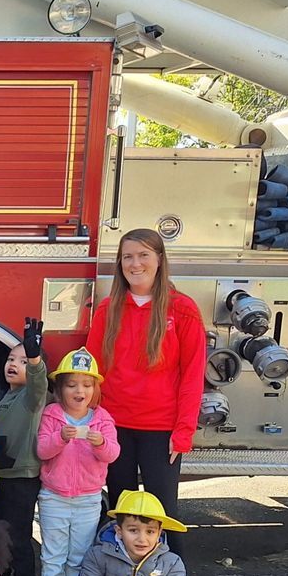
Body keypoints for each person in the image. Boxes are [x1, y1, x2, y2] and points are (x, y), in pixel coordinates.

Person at [86, 228, 207, 551]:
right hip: (115, 427)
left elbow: (193, 375)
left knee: (162, 513)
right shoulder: (108, 309)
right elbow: (92, 374)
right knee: (122, 511)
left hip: (160, 428)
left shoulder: (182, 309)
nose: (135, 264)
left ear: (159, 260)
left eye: (143, 255)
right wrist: (91, 424)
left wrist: (183, 431)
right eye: (127, 257)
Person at [36, 348, 120, 576]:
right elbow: (42, 451)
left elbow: (113, 454)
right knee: (53, 553)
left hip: (88, 498)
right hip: (54, 497)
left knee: (79, 554)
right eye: (71, 385)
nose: (79, 391)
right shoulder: (52, 414)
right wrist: (60, 437)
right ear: (60, 389)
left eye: (86, 385)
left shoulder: (102, 418)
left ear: (95, 389)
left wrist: (100, 443)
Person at [0, 318, 47, 576]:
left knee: (19, 534)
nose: (13, 364)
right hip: (1, 476)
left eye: (21, 361)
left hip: (21, 478)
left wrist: (34, 358)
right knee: (2, 531)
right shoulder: (7, 396)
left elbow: (38, 383)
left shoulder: (31, 397)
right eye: (11, 359)